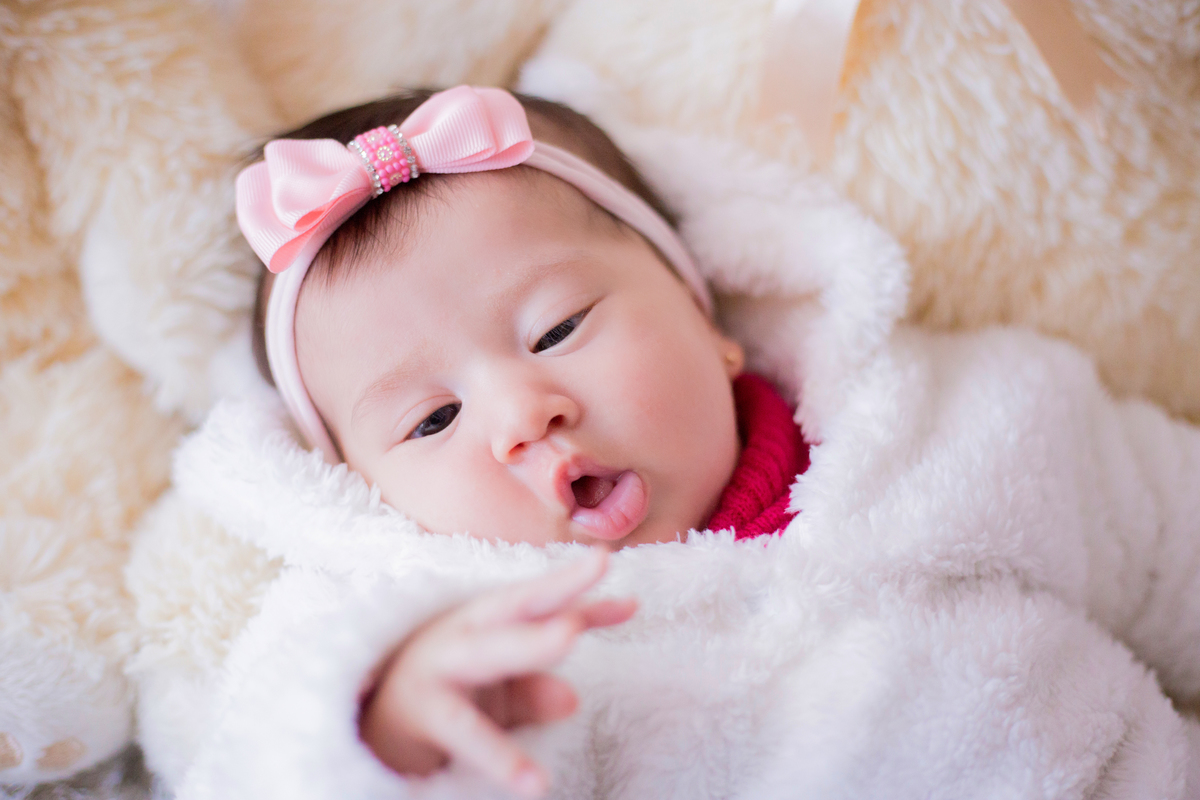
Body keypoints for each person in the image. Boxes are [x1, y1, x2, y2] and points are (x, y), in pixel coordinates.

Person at [171, 83, 1200, 798]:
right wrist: (386, 733)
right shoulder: (419, 627)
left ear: (707, 317)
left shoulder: (957, 420)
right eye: (431, 419)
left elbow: (1166, 524)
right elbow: (250, 764)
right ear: (361, 492)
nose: (525, 412)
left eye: (558, 328)